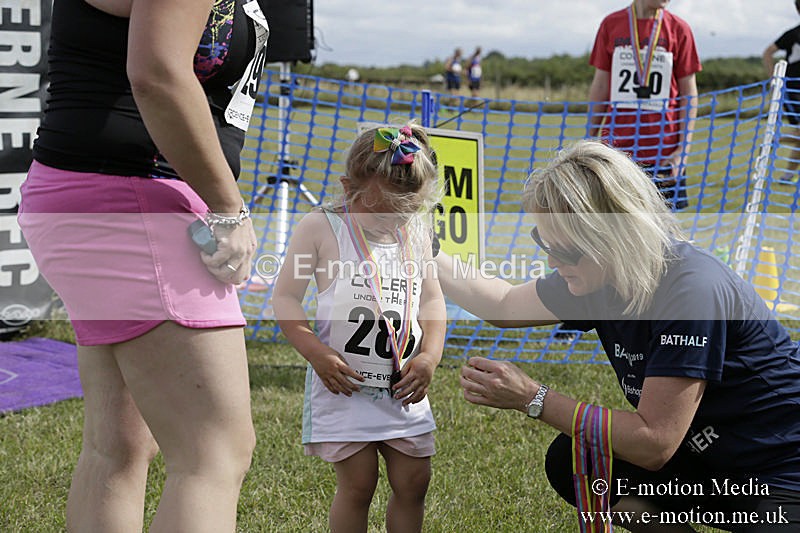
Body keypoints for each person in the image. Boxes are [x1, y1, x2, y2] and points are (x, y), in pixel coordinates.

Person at [436, 140, 800, 531]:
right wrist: (421, 246)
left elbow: (654, 443)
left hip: (782, 473)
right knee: (576, 458)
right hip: (713, 461)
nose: (552, 261)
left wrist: (533, 398)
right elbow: (503, 305)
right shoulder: (598, 277)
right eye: (544, 243)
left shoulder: (691, 290)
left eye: (566, 250)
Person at [17, 0, 268, 531]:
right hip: (133, 201)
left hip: (98, 197)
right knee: (213, 453)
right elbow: (156, 71)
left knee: (118, 446)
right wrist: (228, 208)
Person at [272, 124, 446, 533]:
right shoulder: (320, 227)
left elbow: (432, 301)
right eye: (382, 211)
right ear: (348, 187)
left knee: (415, 480)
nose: (394, 222)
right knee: (359, 483)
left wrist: (430, 357)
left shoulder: (416, 231)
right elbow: (285, 299)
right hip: (345, 385)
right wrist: (316, 352)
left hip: (402, 387)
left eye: (406, 211)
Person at [588, 0, 701, 210]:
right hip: (615, 151)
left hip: (664, 152)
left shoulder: (679, 28)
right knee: (617, 224)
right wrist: (589, 139)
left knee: (664, 230)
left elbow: (689, 92)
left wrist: (682, 150)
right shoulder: (611, 24)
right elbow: (601, 84)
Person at [763, 0, 800, 185]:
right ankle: (774, 140)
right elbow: (768, 53)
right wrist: (774, 80)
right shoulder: (793, 34)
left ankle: (786, 175)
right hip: (793, 92)